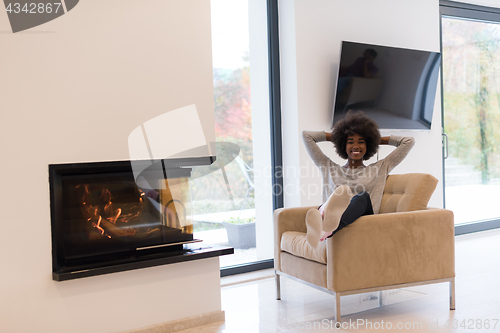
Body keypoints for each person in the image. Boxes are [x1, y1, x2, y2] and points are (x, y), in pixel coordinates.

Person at [302, 111, 414, 248]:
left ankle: (327, 229)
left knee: (362, 197)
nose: (356, 145)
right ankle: (325, 217)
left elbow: (408, 142)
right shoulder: (328, 166)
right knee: (335, 196)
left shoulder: (380, 168)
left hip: (364, 218)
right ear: (343, 145)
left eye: (361, 142)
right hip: (333, 215)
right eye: (351, 142)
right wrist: (338, 137)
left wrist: (375, 139)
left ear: (368, 145)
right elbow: (306, 136)